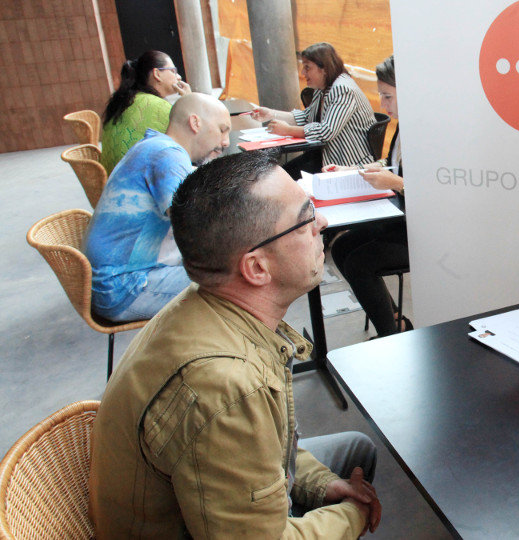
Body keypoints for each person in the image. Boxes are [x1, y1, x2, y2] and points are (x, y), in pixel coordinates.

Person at [88, 149, 382, 538]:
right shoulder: (227, 385)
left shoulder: (203, 302)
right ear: (257, 267)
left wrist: (320, 485)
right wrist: (353, 516)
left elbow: (273, 448)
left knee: (356, 450)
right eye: (306, 218)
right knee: (356, 469)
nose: (322, 223)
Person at [83, 93, 230, 322]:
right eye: (222, 129)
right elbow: (195, 227)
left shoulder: (156, 145)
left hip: (115, 280)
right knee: (239, 278)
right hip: (125, 287)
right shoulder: (167, 155)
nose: (226, 142)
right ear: (195, 123)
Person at [326, 55, 411, 336]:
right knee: (340, 247)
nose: (383, 105)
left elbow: (437, 195)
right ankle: (394, 320)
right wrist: (353, 170)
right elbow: (393, 168)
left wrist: (396, 181)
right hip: (400, 219)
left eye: (388, 96)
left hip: (423, 231)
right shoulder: (403, 125)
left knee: (360, 262)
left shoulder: (429, 132)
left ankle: (390, 335)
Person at [250, 42, 376, 173]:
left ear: (324, 69)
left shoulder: (342, 88)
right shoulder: (322, 87)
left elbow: (326, 131)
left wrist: (288, 130)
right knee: (281, 174)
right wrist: (271, 114)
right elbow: (306, 117)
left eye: (307, 67)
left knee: (284, 177)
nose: (303, 72)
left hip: (346, 162)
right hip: (324, 157)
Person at [100, 50, 191, 174]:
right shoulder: (158, 106)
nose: (179, 77)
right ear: (157, 74)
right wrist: (189, 100)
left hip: (115, 180)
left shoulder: (125, 100)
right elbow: (191, 141)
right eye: (173, 71)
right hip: (139, 184)